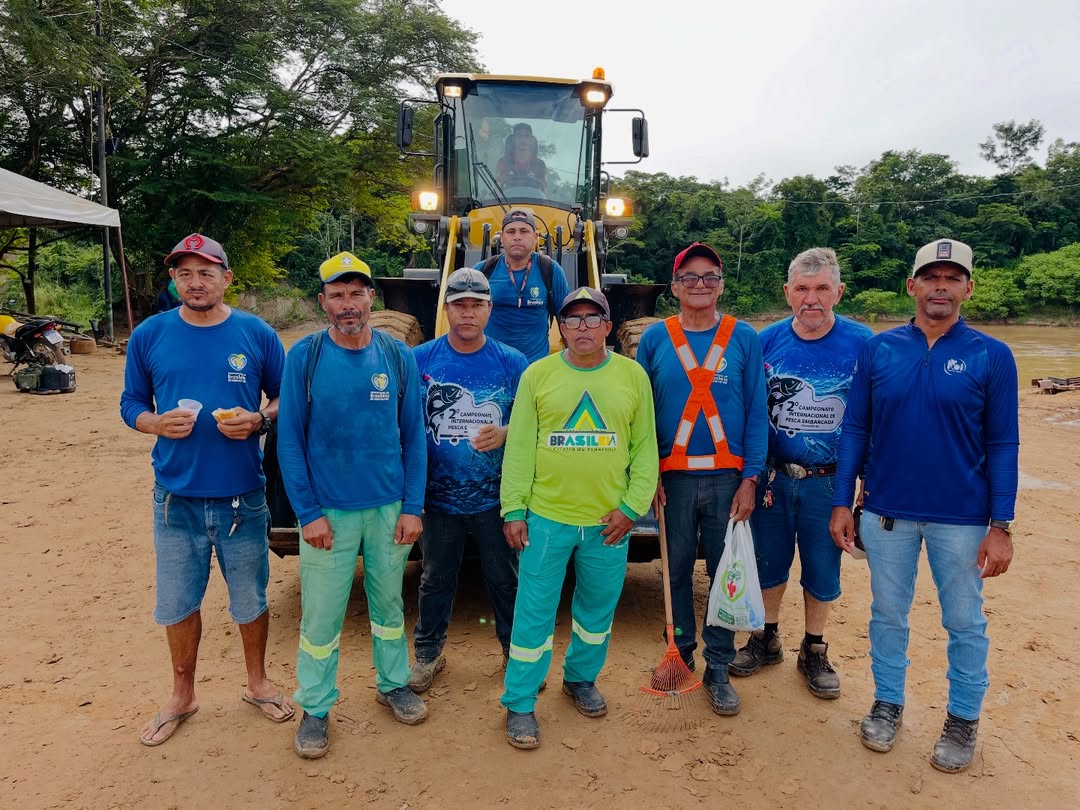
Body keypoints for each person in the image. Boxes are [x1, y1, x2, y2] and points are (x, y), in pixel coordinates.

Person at [829, 238, 1018, 773]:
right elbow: (856, 427)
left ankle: (962, 719)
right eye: (930, 277)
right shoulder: (880, 350)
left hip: (961, 518)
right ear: (911, 285)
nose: (940, 286)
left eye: (952, 277)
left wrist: (1000, 523)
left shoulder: (991, 355)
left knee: (964, 619)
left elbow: (1004, 443)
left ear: (967, 288)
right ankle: (887, 703)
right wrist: (843, 501)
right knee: (888, 613)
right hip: (887, 512)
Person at [120, 232, 292, 747]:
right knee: (178, 602)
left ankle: (258, 683)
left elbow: (285, 398)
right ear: (173, 279)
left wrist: (258, 419)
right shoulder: (149, 335)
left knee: (250, 597)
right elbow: (130, 402)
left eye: (206, 272)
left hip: (244, 496)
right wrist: (153, 423)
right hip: (176, 498)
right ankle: (182, 694)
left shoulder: (256, 333)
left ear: (226, 278)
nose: (195, 283)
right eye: (185, 273)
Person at [276, 251, 428, 759]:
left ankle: (394, 684)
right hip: (329, 514)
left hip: (388, 509)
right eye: (337, 295)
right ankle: (315, 709)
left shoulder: (396, 355)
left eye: (356, 293)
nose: (348, 304)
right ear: (323, 302)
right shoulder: (306, 356)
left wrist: (413, 506)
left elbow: (415, 437)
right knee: (321, 617)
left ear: (371, 298)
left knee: (389, 606)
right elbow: (290, 441)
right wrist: (308, 514)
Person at [500, 287, 658, 749]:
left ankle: (581, 679)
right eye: (573, 319)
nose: (583, 326)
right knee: (533, 614)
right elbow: (520, 447)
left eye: (593, 318)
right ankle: (521, 702)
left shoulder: (632, 377)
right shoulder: (538, 375)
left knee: (596, 611)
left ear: (609, 327)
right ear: (560, 328)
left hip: (608, 523)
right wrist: (514, 508)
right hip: (547, 519)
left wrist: (632, 508)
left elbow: (644, 447)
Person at [730, 248, 872, 699]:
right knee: (768, 562)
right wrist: (749, 476)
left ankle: (813, 647)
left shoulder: (864, 344)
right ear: (788, 292)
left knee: (822, 567)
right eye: (803, 289)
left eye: (822, 289)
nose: (812, 299)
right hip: (773, 478)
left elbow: (875, 420)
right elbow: (750, 414)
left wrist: (865, 490)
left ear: (839, 292)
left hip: (830, 481)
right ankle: (765, 637)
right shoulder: (765, 341)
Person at [635, 242, 768, 716]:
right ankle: (680, 657)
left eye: (709, 276)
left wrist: (751, 479)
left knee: (722, 575)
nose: (700, 285)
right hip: (674, 481)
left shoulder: (743, 337)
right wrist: (647, 476)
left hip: (728, 481)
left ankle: (718, 666)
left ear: (721, 285)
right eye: (689, 277)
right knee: (672, 572)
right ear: (674, 288)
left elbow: (756, 412)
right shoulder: (655, 338)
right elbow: (642, 415)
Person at [408, 268, 529, 693]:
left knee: (505, 579)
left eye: (476, 304)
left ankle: (515, 654)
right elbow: (405, 425)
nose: (467, 312)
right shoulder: (420, 359)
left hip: (496, 498)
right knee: (436, 578)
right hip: (437, 498)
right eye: (459, 304)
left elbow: (533, 423)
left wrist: (505, 432)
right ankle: (427, 655)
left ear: (489, 309)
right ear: (446, 309)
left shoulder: (512, 362)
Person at [473, 208, 570, 364]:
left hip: (534, 368)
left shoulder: (551, 270)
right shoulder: (482, 272)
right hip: (492, 365)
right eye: (511, 231)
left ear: (535, 237)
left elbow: (566, 320)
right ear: (502, 237)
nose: (517, 237)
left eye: (524, 231)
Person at [496, 122, 547, 195]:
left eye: (527, 136)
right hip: (506, 204)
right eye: (519, 136)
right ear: (513, 139)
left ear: (531, 140)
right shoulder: (503, 162)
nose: (523, 140)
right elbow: (498, 188)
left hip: (535, 204)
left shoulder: (540, 165)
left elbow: (544, 190)